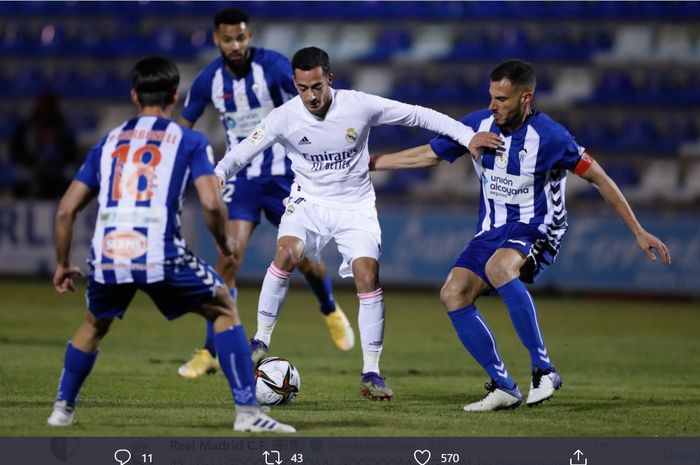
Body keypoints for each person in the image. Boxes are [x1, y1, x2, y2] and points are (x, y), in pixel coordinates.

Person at [370, 59, 671, 411]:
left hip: (538, 228)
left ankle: (544, 369)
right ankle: (503, 386)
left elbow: (599, 177)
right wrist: (373, 163)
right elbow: (429, 155)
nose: (492, 105)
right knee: (453, 293)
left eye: (502, 99)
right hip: (491, 230)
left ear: (525, 98)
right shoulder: (477, 126)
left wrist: (637, 230)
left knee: (500, 269)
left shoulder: (552, 137)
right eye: (491, 96)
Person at [46, 56, 295, 433]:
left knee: (93, 325)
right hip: (158, 252)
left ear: (134, 95)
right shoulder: (188, 140)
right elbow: (212, 202)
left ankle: (61, 409)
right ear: (176, 95)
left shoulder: (109, 141)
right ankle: (248, 414)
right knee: (225, 308)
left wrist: (62, 264)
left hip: (108, 254)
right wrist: (224, 241)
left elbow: (66, 211)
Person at [214, 46, 478, 400]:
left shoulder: (359, 105)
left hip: (355, 206)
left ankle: (372, 372)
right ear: (295, 83)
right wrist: (218, 175)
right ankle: (260, 340)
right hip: (308, 203)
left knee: (368, 276)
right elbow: (244, 150)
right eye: (303, 88)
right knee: (286, 253)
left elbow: (418, 115)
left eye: (317, 87)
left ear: (329, 80)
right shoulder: (284, 117)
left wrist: (467, 135)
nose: (311, 96)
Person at [177, 8, 353, 379]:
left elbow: (312, 108)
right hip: (242, 181)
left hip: (284, 177)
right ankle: (211, 350)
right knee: (228, 257)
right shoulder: (209, 79)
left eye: (241, 37)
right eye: (228, 39)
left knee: (306, 260)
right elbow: (183, 128)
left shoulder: (274, 67)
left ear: (250, 35)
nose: (236, 45)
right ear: (217, 40)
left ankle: (329, 309)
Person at [10, 91, 78, 198]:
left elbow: (71, 154)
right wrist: (34, 161)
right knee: (20, 175)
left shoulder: (63, 128)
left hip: (57, 169)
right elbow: (16, 152)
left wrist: (54, 162)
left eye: (49, 108)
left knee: (70, 174)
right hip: (31, 166)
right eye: (44, 108)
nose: (46, 112)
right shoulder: (26, 128)